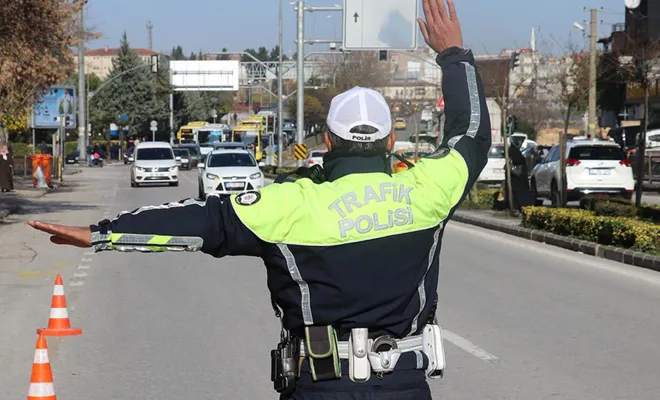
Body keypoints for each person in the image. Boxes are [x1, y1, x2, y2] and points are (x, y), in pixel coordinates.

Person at [27, 1, 491, 398]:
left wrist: (101, 234)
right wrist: (454, 55)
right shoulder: (428, 188)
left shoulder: (289, 204)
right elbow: (470, 134)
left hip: (320, 385)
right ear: (391, 143)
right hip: (403, 387)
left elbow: (201, 222)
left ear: (328, 140)